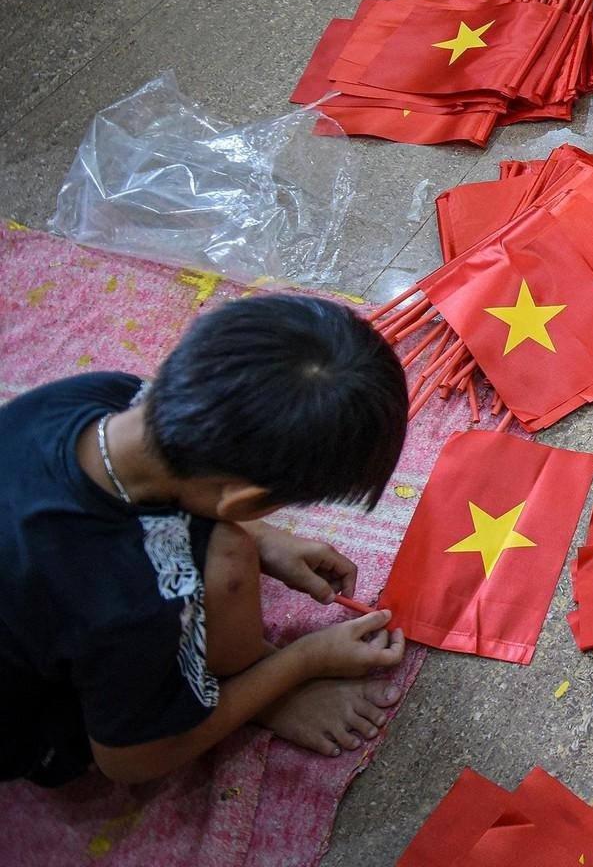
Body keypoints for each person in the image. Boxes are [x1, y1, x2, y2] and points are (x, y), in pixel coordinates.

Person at [1, 295, 411, 787]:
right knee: (228, 561)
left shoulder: (98, 396)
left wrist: (265, 537)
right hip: (33, 727)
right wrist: (301, 662)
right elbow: (130, 761)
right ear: (241, 500)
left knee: (231, 550)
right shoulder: (132, 606)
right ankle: (255, 686)